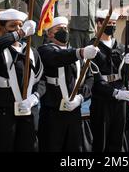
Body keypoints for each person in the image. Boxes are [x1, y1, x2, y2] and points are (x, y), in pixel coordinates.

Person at [0, 9, 45, 152]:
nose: (18, 29)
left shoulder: (32, 51)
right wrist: (20, 33)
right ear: (2, 28)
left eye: (20, 25)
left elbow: (41, 79)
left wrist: (34, 98)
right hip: (4, 110)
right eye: (13, 26)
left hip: (28, 110)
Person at [37, 16, 98, 152]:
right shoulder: (44, 50)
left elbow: (89, 78)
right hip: (52, 114)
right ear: (49, 33)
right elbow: (57, 58)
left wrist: (81, 98)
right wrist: (81, 52)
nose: (64, 31)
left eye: (66, 28)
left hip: (74, 112)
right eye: (59, 29)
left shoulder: (74, 53)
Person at [89, 10, 129, 152]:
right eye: (109, 23)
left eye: (114, 24)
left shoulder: (120, 47)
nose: (112, 26)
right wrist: (114, 93)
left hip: (120, 99)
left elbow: (126, 77)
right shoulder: (92, 48)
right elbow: (94, 79)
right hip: (102, 100)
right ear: (99, 24)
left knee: (117, 140)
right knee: (101, 142)